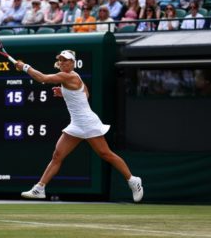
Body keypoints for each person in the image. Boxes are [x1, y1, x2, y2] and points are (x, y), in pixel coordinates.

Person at [15, 50, 144, 203]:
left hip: (88, 122)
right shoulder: (74, 79)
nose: (63, 63)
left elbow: (42, 78)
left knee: (105, 154)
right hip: (76, 124)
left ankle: (133, 180)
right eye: (61, 60)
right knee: (57, 155)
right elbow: (86, 95)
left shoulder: (68, 76)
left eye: (66, 60)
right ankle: (39, 188)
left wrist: (24, 66)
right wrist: (65, 93)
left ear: (73, 63)